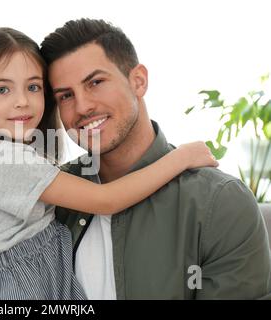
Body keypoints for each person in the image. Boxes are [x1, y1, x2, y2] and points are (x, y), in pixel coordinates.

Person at [0, 27, 218, 300]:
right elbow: (106, 200)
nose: (22, 101)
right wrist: (180, 158)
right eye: (2, 90)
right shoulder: (0, 158)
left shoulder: (10, 155)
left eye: (33, 87)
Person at [40, 18, 271, 299]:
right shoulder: (49, 198)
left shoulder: (220, 203)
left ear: (138, 81)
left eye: (96, 82)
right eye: (65, 96)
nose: (83, 106)